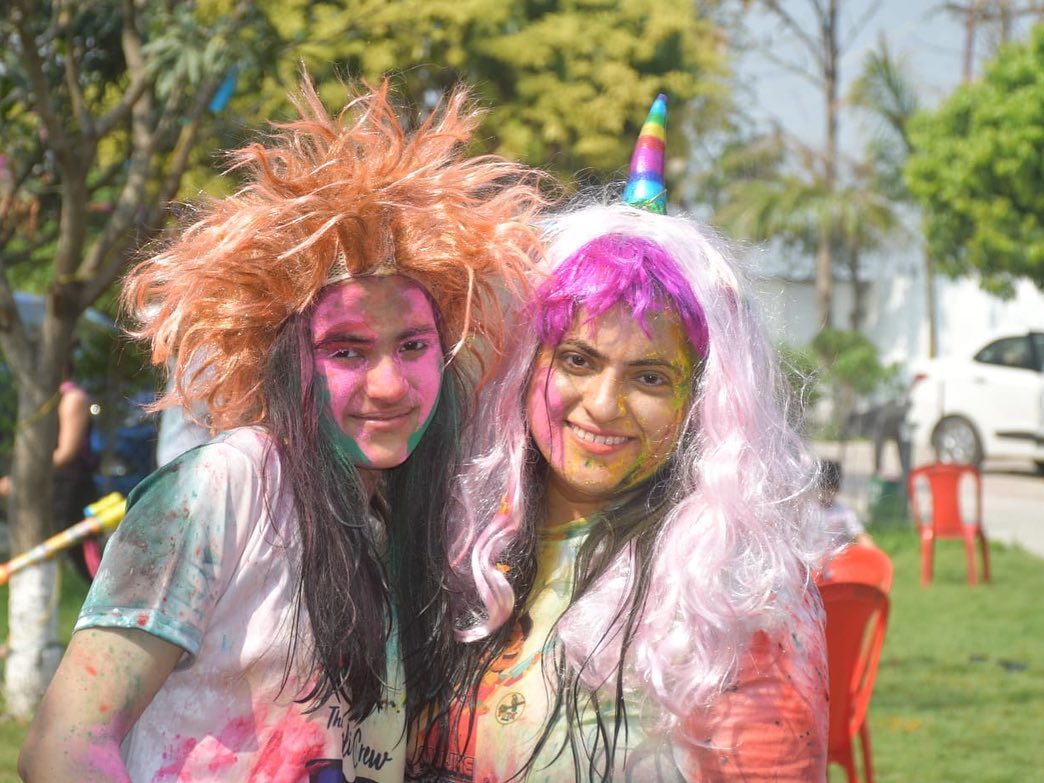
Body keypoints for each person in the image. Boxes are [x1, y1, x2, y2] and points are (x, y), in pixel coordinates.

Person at [19, 78, 543, 782]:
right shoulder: (220, 489)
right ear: (292, 364)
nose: (389, 385)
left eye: (413, 346)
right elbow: (65, 744)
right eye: (348, 351)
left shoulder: (422, 520)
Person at [409, 96, 829, 781]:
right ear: (526, 363)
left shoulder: (729, 598)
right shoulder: (453, 543)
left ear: (703, 403)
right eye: (577, 359)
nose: (603, 405)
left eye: (650, 377)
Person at [818, 458, 874, 549]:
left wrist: (872, 551)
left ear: (837, 489)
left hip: (837, 557)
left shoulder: (843, 512)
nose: (824, 492)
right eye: (822, 488)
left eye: (830, 489)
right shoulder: (807, 510)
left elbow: (859, 535)